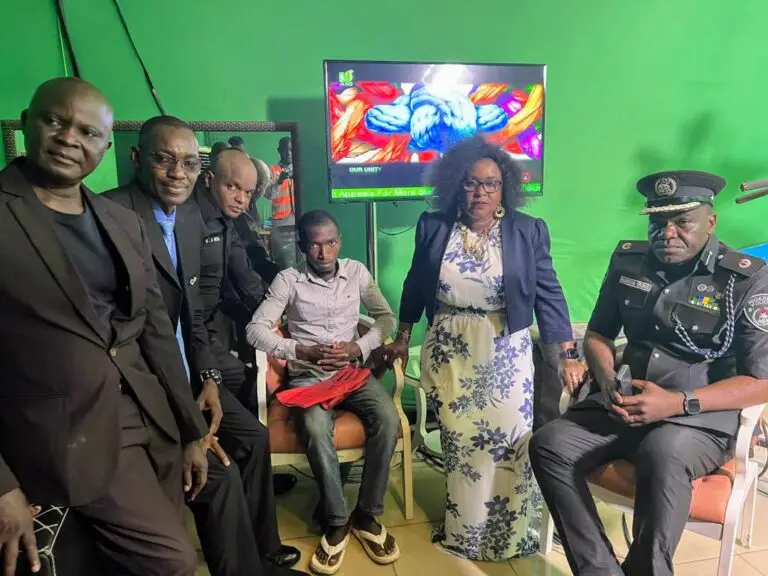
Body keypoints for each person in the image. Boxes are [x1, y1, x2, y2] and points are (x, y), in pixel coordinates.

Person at [0, 78, 209, 575]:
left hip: (148, 422)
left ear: (106, 147)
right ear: (26, 122)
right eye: (54, 121)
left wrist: (191, 430)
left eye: (88, 132)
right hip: (57, 434)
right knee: (172, 562)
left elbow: (156, 331)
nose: (69, 138)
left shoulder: (120, 221)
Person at [529, 171, 768, 576]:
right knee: (549, 443)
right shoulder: (628, 261)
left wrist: (677, 403)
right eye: (657, 222)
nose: (667, 233)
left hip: (697, 417)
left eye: (682, 222)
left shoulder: (746, 278)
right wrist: (607, 379)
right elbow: (599, 334)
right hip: (623, 403)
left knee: (662, 452)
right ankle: (599, 570)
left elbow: (761, 381)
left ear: (710, 222)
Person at [103, 116, 303, 575]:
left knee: (250, 437)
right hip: (141, 383)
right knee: (220, 473)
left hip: (192, 362)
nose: (178, 172)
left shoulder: (190, 219)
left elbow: (202, 303)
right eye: (164, 159)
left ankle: (262, 550)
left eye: (188, 163)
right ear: (137, 158)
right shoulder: (112, 215)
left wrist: (211, 373)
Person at [383, 136, 584, 561]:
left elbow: (549, 294)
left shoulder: (527, 230)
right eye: (472, 183)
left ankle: (511, 534)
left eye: (491, 184)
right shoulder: (433, 226)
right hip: (451, 348)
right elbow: (415, 285)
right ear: (456, 184)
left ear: (504, 187)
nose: (481, 192)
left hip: (506, 351)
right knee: (462, 446)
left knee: (510, 442)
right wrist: (402, 335)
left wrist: (567, 354)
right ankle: (466, 533)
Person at [247, 210, 401, 575]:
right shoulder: (289, 280)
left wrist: (358, 347)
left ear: (339, 241)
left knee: (388, 418)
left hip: (350, 373)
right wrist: (301, 351)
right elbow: (255, 330)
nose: (324, 252)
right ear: (303, 246)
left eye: (331, 242)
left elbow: (385, 318)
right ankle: (337, 520)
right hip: (309, 378)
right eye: (315, 244)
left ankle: (367, 514)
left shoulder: (357, 272)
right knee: (316, 428)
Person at [190, 148, 296, 495]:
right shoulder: (188, 219)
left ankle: (248, 468)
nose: (241, 198)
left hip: (210, 329)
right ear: (209, 180)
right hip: (188, 337)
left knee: (248, 382)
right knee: (240, 399)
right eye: (232, 187)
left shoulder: (228, 221)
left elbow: (246, 275)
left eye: (248, 192)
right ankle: (237, 467)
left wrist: (275, 315)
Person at [264, 136, 297, 269]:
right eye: (285, 149)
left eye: (291, 150)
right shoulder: (271, 170)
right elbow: (268, 195)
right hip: (280, 223)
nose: (288, 153)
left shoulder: (300, 168)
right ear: (279, 150)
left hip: (298, 220)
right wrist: (279, 181)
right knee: (282, 261)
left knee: (300, 259)